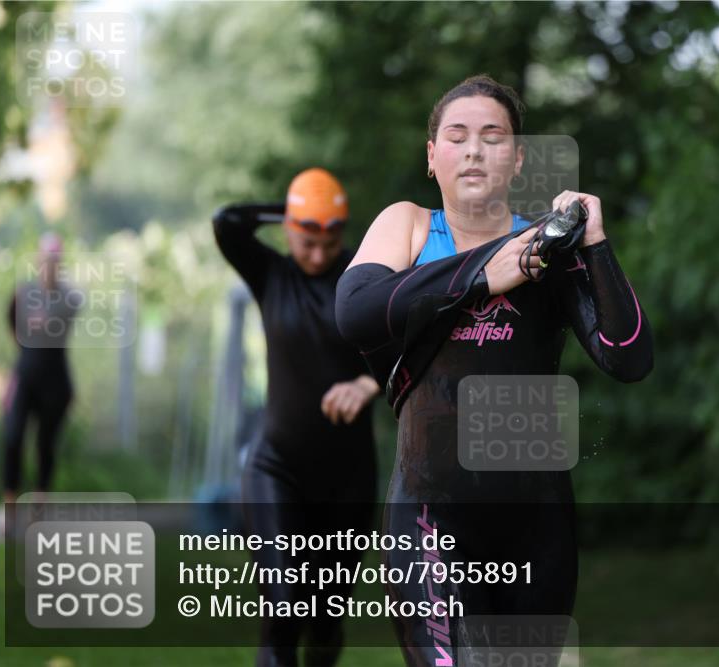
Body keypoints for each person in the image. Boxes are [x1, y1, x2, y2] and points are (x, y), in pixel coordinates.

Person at [335, 75, 654, 666]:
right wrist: (487, 271)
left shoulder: (547, 249)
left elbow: (628, 354)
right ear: (432, 157)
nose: (475, 149)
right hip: (431, 516)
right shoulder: (408, 226)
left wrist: (595, 244)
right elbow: (355, 312)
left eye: (493, 136)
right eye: (456, 136)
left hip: (537, 523)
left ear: (518, 158)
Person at [213, 168, 380, 667]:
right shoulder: (270, 274)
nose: (318, 253)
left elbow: (406, 353)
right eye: (307, 239)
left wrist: (367, 383)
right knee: (283, 606)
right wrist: (290, 207)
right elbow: (226, 222)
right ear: (289, 230)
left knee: (325, 623)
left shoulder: (364, 278)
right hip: (276, 468)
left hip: (347, 482)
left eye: (330, 240)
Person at [4, 232, 80, 504]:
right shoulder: (24, 292)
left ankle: (39, 506)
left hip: (55, 381)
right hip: (26, 374)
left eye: (54, 260)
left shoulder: (68, 297)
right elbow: (15, 320)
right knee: (13, 437)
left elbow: (55, 316)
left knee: (45, 445)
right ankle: (10, 508)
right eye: (45, 259)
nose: (48, 265)